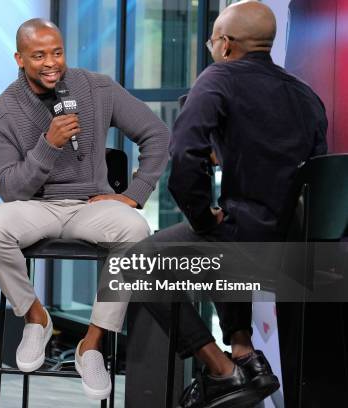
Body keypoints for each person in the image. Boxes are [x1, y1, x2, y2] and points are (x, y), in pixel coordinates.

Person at [130, 1, 328, 407]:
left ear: (224, 44)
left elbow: (185, 157)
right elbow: (314, 177)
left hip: (243, 243)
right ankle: (244, 354)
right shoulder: (307, 96)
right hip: (298, 249)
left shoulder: (218, 77)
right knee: (228, 230)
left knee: (138, 263)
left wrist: (202, 218)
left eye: (211, 38)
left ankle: (221, 372)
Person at [0, 18, 170, 400]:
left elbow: (157, 133)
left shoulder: (96, 87)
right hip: (35, 207)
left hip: (90, 205)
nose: (52, 63)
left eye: (58, 52)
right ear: (19, 58)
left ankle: (92, 344)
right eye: (39, 55)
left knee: (136, 231)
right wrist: (48, 144)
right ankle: (36, 318)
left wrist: (134, 193)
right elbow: (9, 189)